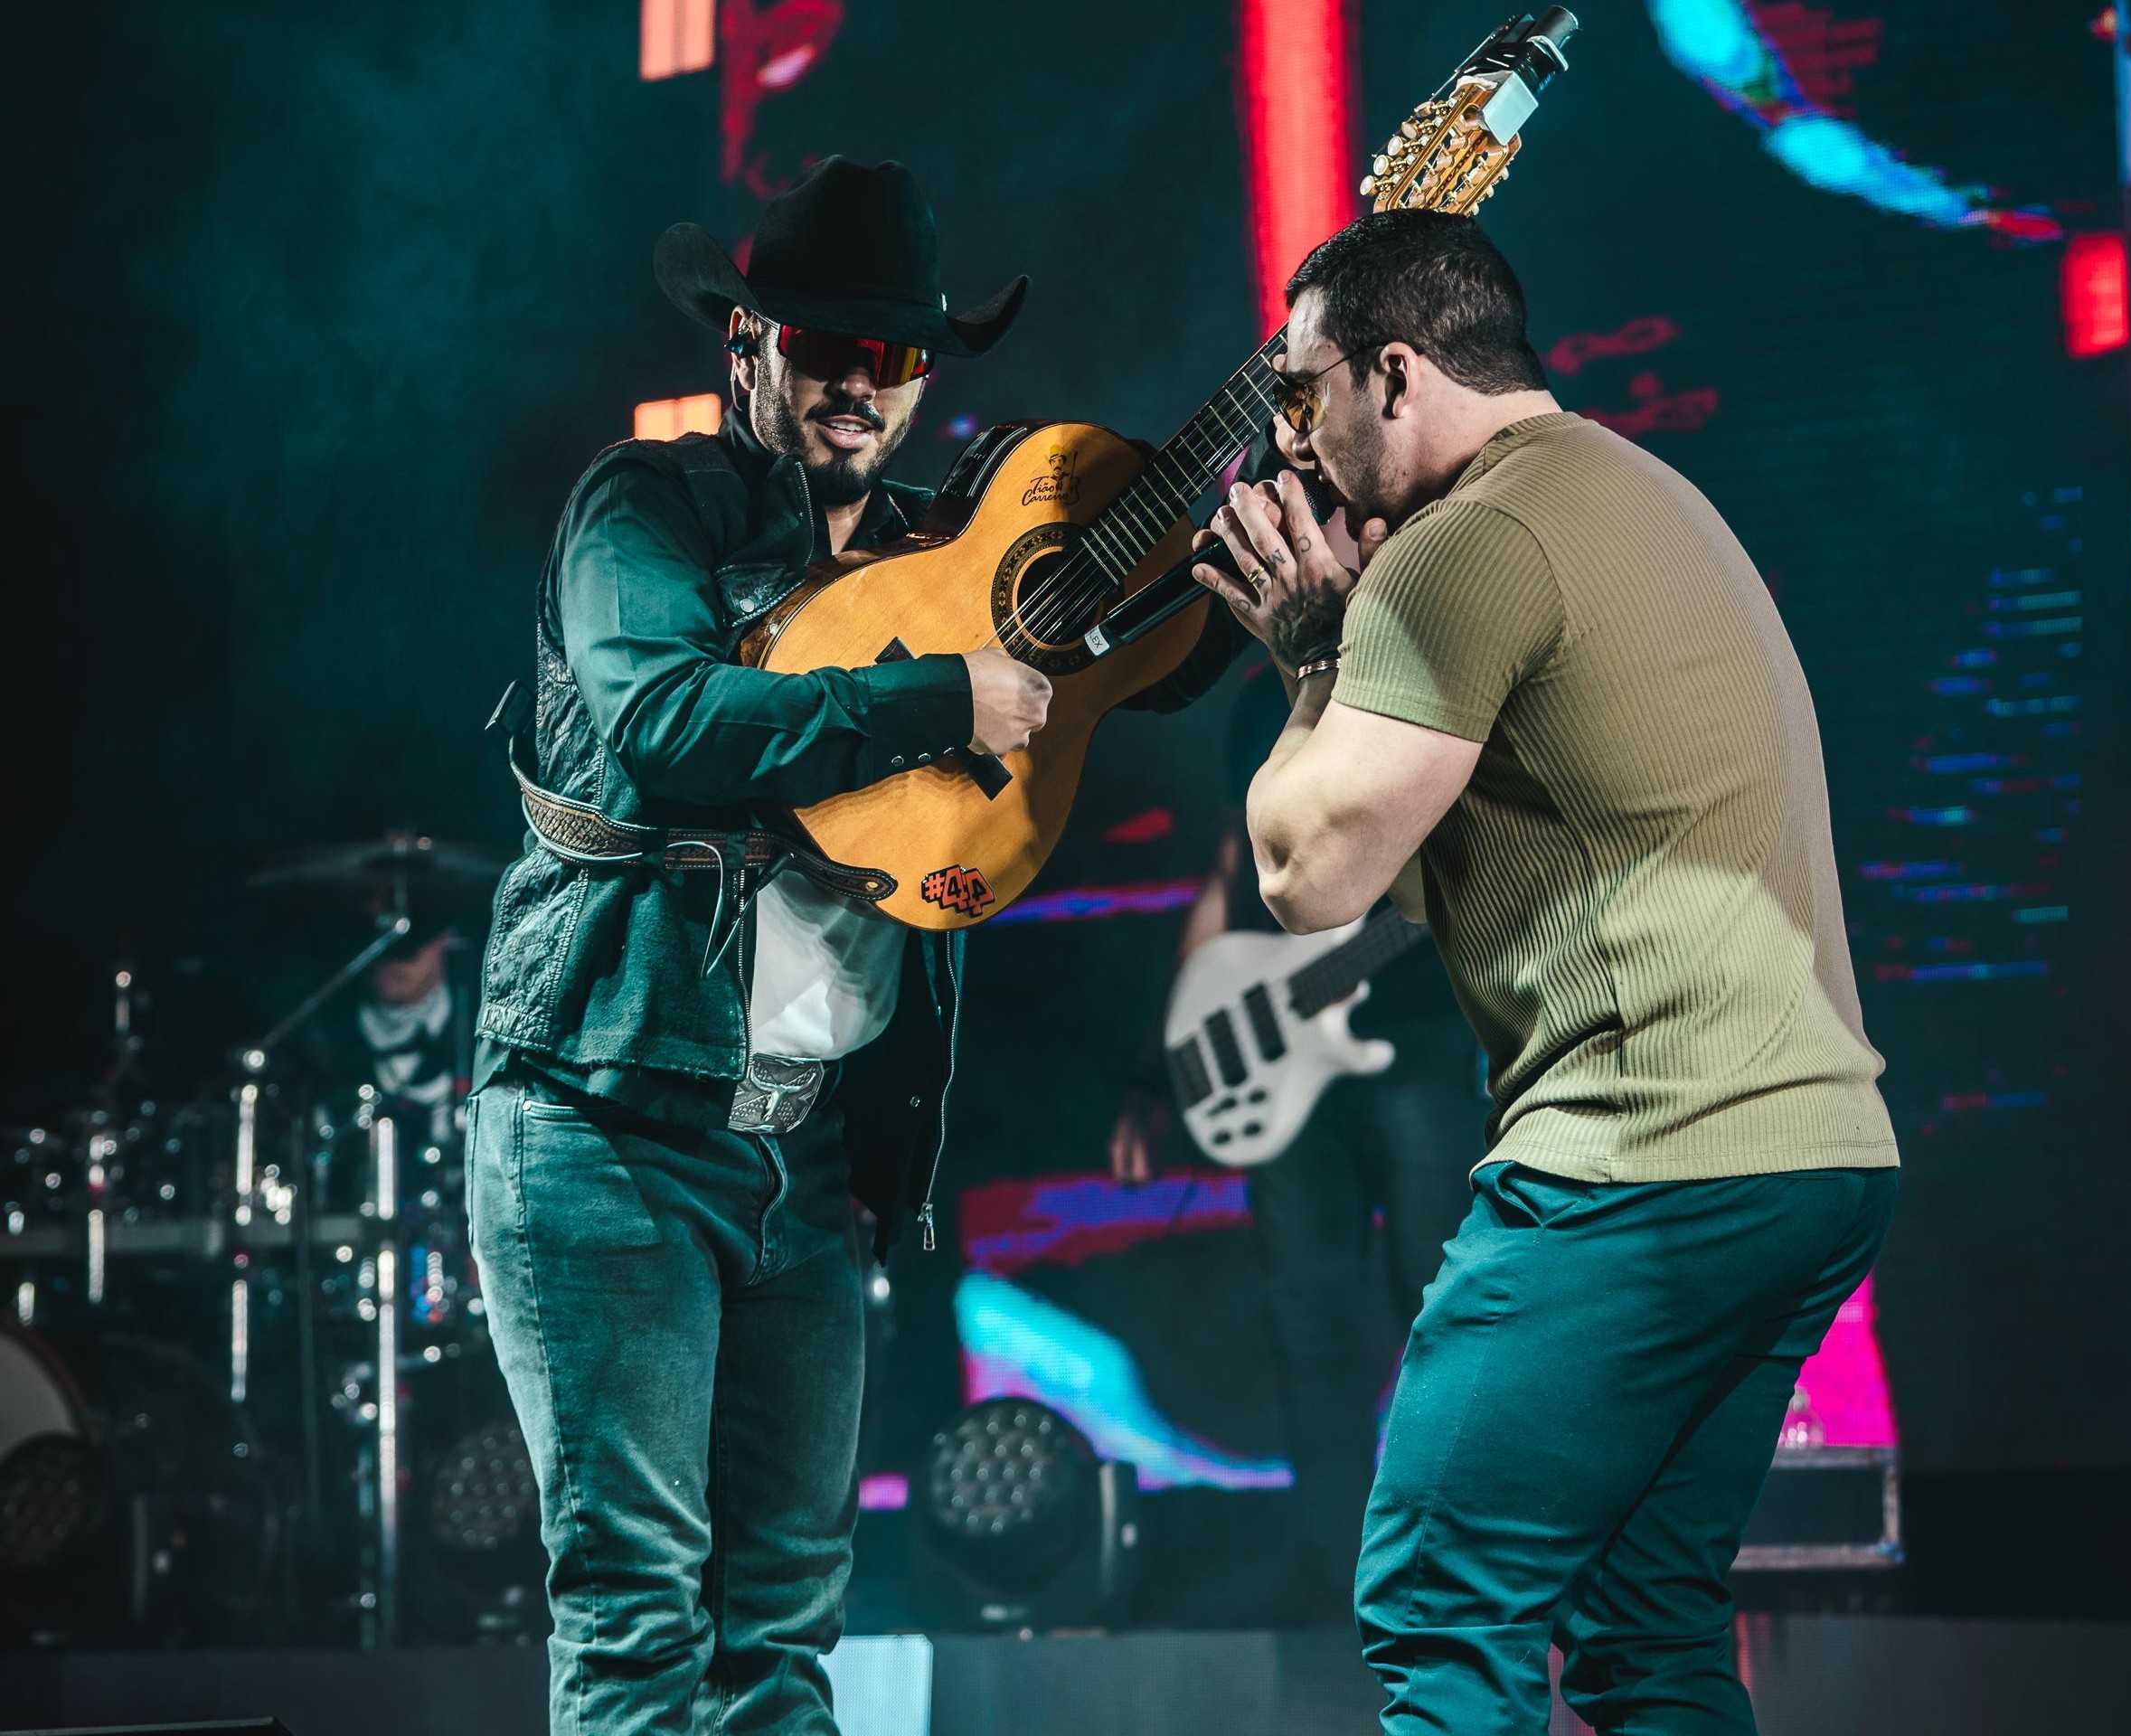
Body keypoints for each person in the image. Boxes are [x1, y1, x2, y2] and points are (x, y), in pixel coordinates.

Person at [465, 156, 1238, 1735]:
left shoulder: (946, 550)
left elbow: (1141, 657)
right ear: (747, 340)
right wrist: (940, 700)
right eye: (827, 347)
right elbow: (669, 721)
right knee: (636, 1616)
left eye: (895, 356)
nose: (860, 386)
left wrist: (1255, 564)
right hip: (609, 1120)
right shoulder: (644, 508)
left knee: (785, 1633)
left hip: (807, 1158)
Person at [1190, 207, 1900, 1734]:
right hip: (1815, 1160)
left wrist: (1312, 653)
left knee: (1437, 1594)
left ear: (1394, 376)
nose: (1288, 445)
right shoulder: (1637, 491)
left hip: (1649, 1162)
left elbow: (1311, 882)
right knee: (1650, 1628)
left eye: (1302, 394)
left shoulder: (1468, 546)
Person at [1108, 660, 1483, 1618]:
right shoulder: (1256, 703)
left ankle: (1458, 1563)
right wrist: (1162, 1069)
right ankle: (1334, 1572)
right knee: (1306, 1318)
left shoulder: (1429, 679)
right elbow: (1228, 873)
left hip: (1416, 1032)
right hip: (1284, 1053)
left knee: (1440, 1302)